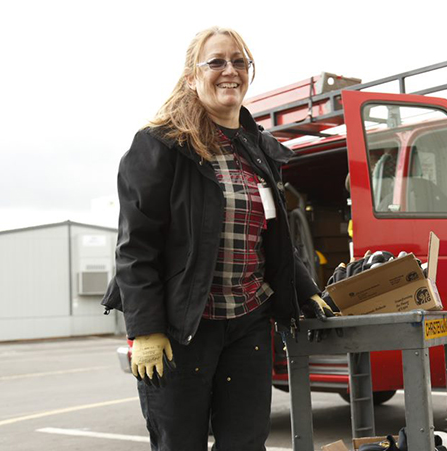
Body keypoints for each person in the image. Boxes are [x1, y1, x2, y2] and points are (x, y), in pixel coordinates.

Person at [101, 26, 334, 451]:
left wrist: (305, 290)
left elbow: (274, 236)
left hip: (247, 323)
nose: (230, 71)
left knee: (245, 444)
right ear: (192, 77)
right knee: (180, 444)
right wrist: (147, 329)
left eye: (239, 62)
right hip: (182, 328)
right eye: (217, 62)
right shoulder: (161, 145)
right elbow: (136, 248)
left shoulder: (259, 148)